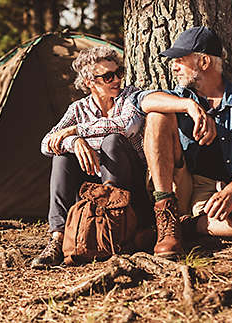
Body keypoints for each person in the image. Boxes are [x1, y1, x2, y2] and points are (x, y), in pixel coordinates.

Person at [132, 26, 232, 259]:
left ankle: (184, 228)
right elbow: (141, 101)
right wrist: (189, 106)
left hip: (214, 195)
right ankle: (166, 218)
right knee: (157, 115)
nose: (173, 67)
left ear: (204, 62)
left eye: (180, 60)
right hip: (177, 185)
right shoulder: (178, 97)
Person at [31, 46, 152, 269]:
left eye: (119, 72)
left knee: (112, 141)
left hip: (129, 190)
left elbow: (126, 126)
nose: (116, 79)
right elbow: (46, 143)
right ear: (89, 82)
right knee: (62, 156)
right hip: (93, 190)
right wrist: (75, 142)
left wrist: (77, 131)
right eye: (107, 76)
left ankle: (114, 229)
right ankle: (57, 240)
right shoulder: (78, 108)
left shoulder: (130, 97)